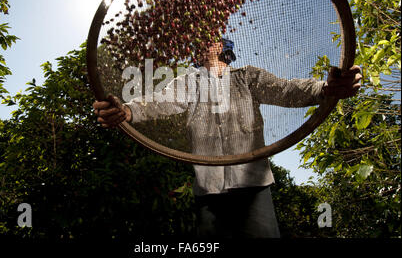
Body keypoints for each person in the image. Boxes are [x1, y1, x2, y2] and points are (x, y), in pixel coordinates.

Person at [93, 38, 362, 238]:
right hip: (209, 193)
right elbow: (158, 102)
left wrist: (326, 88)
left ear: (221, 47)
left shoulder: (248, 77)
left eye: (210, 39)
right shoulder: (189, 82)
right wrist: (127, 110)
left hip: (254, 187)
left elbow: (288, 90)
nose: (201, 42)